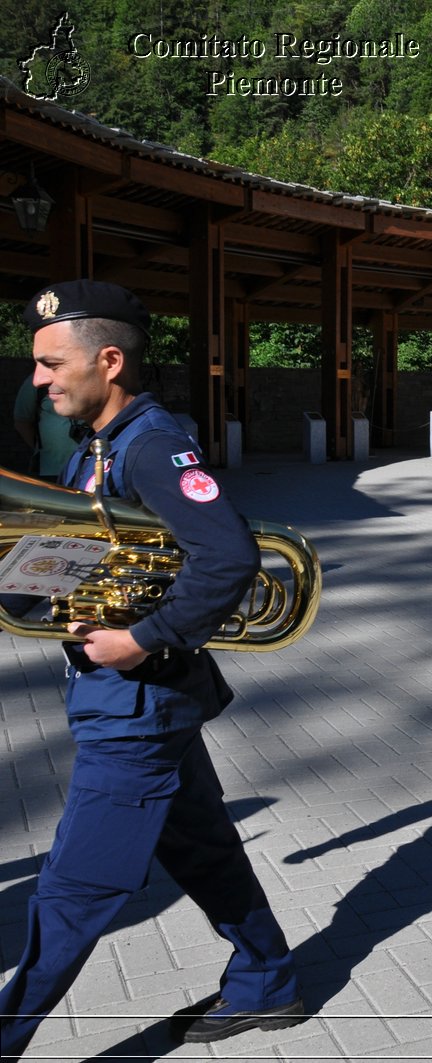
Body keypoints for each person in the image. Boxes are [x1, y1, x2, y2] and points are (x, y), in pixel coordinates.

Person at [0, 281, 306, 1058]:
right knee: (203, 848)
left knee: (71, 895)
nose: (38, 378)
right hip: (136, 700)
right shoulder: (102, 443)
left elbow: (230, 555)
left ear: (109, 360)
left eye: (49, 363)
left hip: (137, 704)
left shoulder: (150, 443)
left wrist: (143, 636)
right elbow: (102, 556)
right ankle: (268, 980)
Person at [12, 375, 78, 478]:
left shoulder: (88, 378)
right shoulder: (36, 382)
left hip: (88, 470)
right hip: (51, 469)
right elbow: (22, 423)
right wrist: (39, 449)